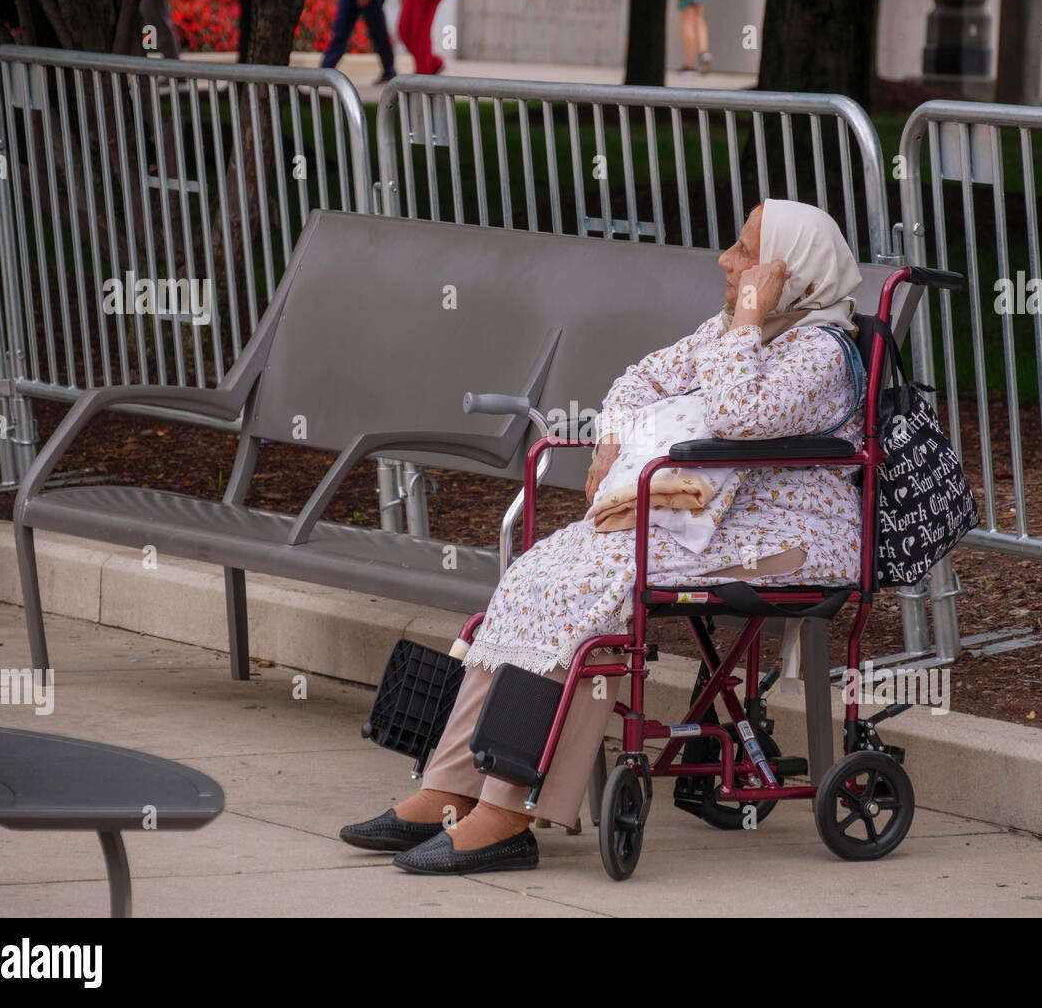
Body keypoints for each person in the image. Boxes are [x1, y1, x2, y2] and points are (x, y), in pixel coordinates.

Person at [341, 200, 866, 875]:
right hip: (704, 520)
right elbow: (641, 377)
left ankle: (507, 811)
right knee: (540, 573)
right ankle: (450, 787)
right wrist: (614, 430)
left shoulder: (819, 350)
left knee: (589, 594)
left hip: (787, 537)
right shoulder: (734, 329)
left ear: (792, 274)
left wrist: (748, 320)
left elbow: (738, 417)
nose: (726, 261)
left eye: (745, 252)